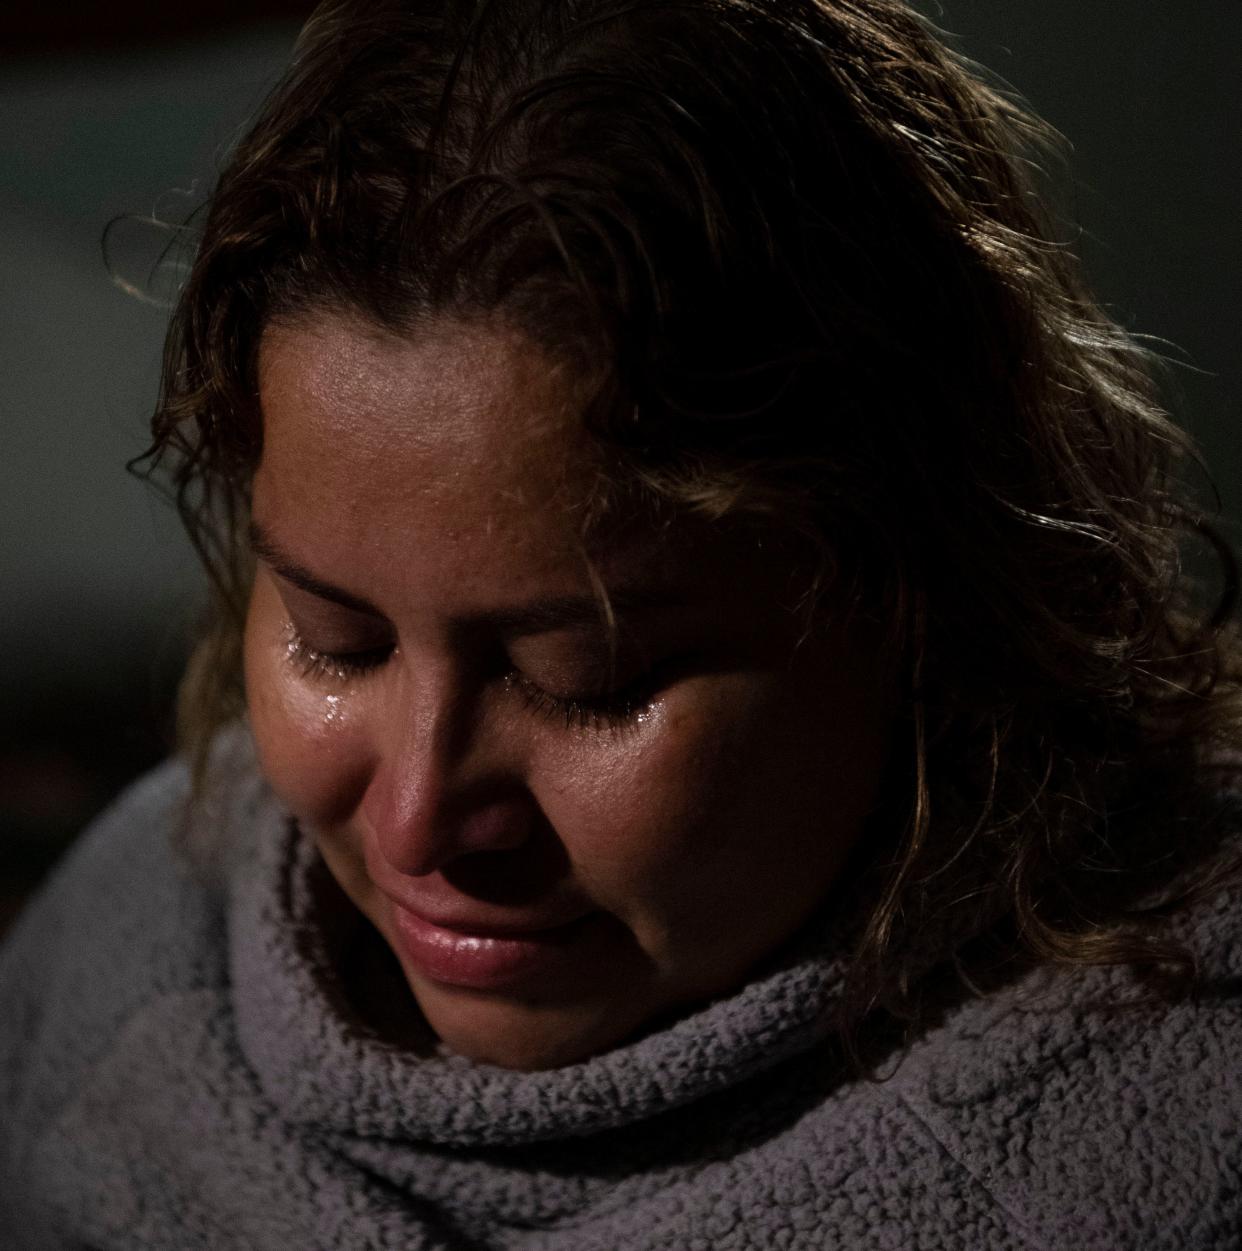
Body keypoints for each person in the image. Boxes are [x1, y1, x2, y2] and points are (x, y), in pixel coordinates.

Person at [2, 0, 1240, 1245]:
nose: (419, 821)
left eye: (585, 679)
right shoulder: (137, 938)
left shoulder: (1170, 1119)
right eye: (338, 640)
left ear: (926, 595)